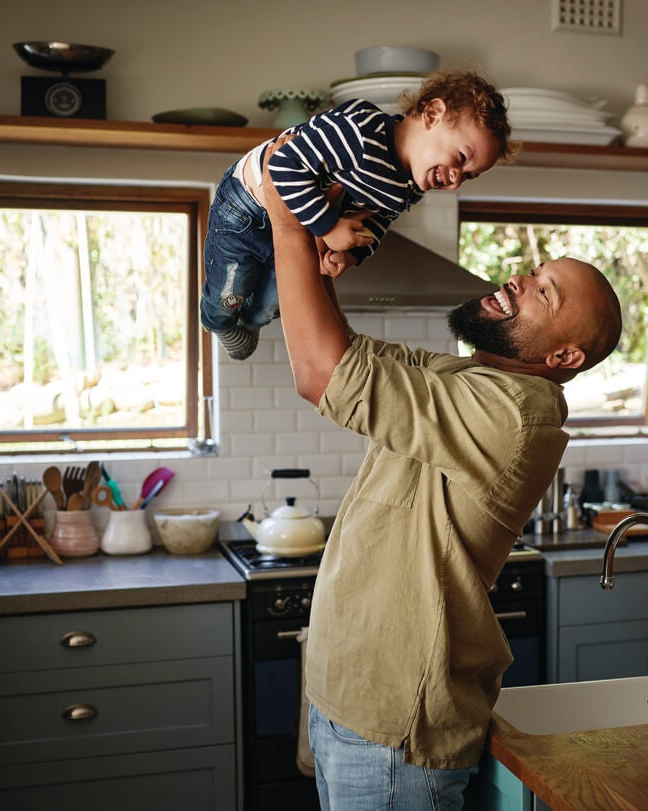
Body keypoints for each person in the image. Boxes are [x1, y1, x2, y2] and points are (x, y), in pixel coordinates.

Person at [258, 133, 624, 809]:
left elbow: (324, 375)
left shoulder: (515, 412)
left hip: (396, 724)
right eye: (534, 269)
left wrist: (286, 213)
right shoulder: (475, 377)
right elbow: (353, 354)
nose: (518, 278)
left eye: (543, 291)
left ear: (566, 356)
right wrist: (321, 248)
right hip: (352, 700)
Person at [201, 70, 513, 360]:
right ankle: (218, 322)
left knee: (275, 302)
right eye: (460, 158)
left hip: (291, 224)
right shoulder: (360, 131)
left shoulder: (408, 186)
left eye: (469, 176)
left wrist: (352, 255)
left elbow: (376, 221)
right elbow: (282, 165)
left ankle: (251, 321)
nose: (456, 179)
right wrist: (329, 226)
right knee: (231, 292)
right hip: (246, 207)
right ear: (432, 114)